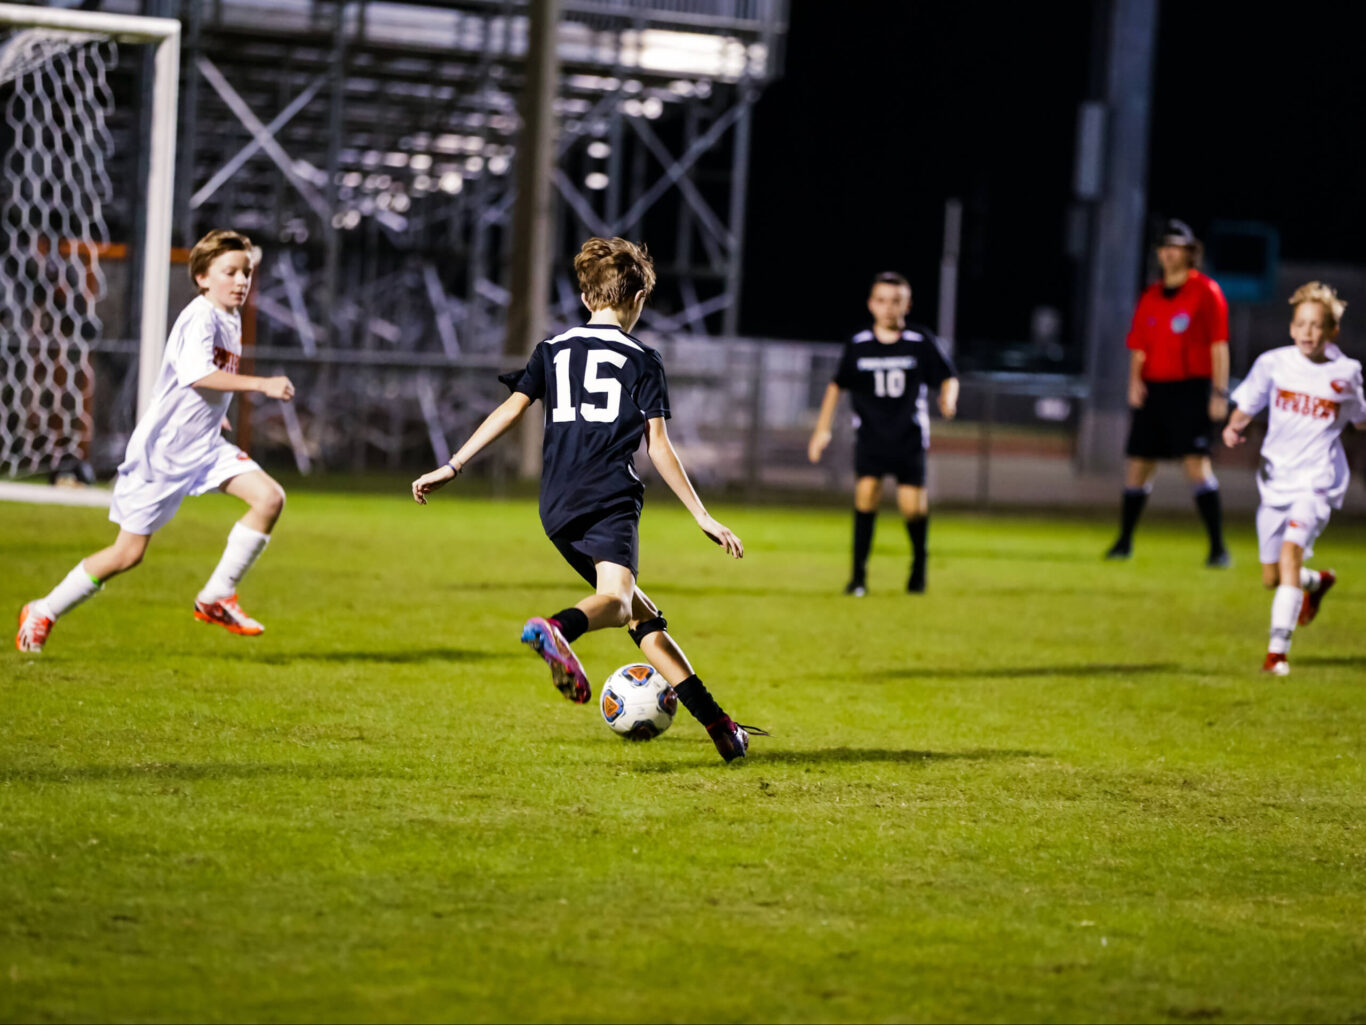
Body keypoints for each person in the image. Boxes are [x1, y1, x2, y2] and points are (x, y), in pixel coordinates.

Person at [410, 237, 761, 763]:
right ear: (639, 297)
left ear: (584, 296)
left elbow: (509, 410)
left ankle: (721, 727)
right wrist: (702, 515)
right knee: (617, 603)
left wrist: (453, 463)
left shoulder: (553, 349)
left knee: (641, 615)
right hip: (608, 493)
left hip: (555, 503)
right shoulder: (643, 359)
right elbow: (658, 445)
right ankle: (556, 628)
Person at [15, 230, 295, 653]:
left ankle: (217, 595)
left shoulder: (230, 318)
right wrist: (262, 384)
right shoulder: (201, 316)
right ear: (203, 277)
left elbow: (193, 387)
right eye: (230, 272)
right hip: (162, 454)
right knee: (127, 554)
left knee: (270, 499)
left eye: (246, 273)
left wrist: (211, 418)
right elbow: (197, 374)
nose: (241, 281)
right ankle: (43, 609)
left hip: (203, 446)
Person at [1223, 282, 1364, 675]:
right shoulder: (1274, 363)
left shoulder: (1347, 373)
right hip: (1275, 479)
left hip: (1317, 481)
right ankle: (1315, 582)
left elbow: (1359, 418)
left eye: (1316, 325)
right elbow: (1246, 404)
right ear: (1290, 328)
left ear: (1332, 331)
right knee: (1273, 577)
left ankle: (1276, 652)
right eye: (1301, 323)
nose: (1307, 332)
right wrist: (1234, 427)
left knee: (1290, 553)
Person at [807, 271, 958, 594]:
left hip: (909, 436)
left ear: (908, 305)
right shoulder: (859, 344)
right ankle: (858, 578)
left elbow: (949, 376)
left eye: (896, 301)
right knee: (866, 499)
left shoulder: (920, 341)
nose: (889, 308)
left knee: (912, 509)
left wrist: (948, 397)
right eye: (882, 301)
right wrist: (822, 430)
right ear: (871, 304)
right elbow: (836, 386)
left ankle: (919, 566)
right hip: (871, 437)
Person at [1107, 219, 1232, 566]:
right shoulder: (1150, 295)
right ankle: (1124, 541)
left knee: (1196, 465)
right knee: (1138, 465)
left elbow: (1218, 345)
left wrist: (1219, 393)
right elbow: (1139, 346)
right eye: (1164, 248)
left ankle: (1218, 547)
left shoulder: (1206, 292)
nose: (1168, 253)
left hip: (1190, 389)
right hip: (1154, 391)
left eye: (1175, 247)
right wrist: (1134, 381)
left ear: (1190, 252)